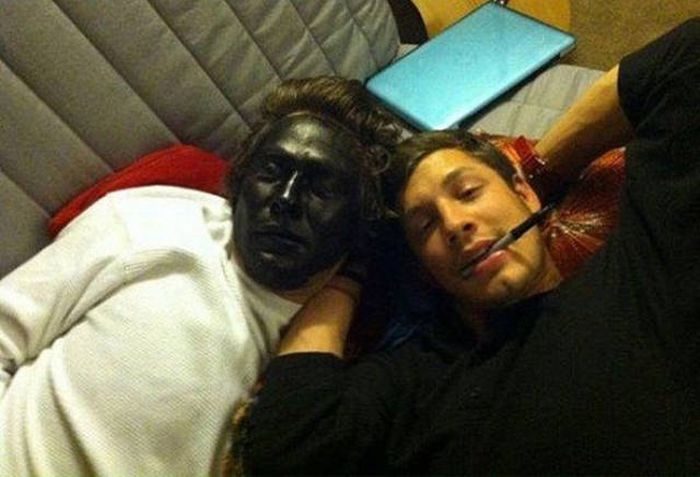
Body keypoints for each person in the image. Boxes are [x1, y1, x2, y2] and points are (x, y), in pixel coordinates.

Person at [240, 19, 700, 475]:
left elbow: (685, 60)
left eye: (468, 192)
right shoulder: (420, 379)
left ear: (521, 192)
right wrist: (350, 270)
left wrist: (542, 167)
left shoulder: (638, 273)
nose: (455, 224)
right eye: (425, 225)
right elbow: (287, 449)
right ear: (424, 268)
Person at [0, 76, 401, 476]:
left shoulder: (352, 362)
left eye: (321, 188)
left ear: (360, 222)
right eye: (271, 171)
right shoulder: (150, 223)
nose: (285, 200)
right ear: (240, 184)